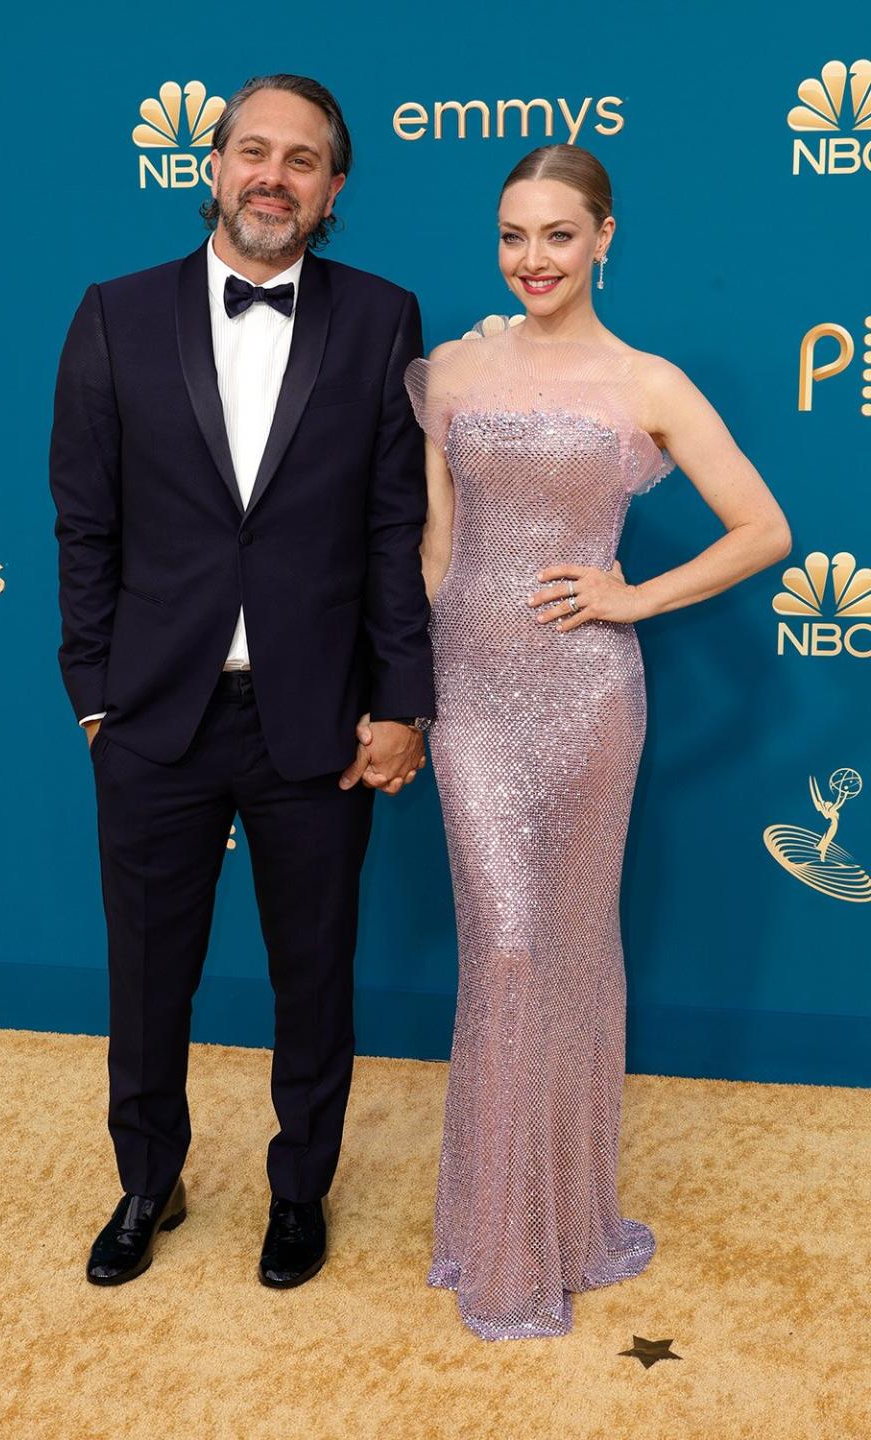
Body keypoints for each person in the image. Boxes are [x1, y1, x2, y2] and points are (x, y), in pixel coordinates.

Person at [387, 142, 792, 1339]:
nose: (532, 259)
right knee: (505, 951)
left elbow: (763, 527)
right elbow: (434, 549)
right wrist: (413, 696)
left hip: (587, 699)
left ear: (605, 238)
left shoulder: (648, 382)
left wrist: (634, 597)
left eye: (558, 234)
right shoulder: (450, 372)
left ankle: (564, 1224)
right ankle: (502, 1243)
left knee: (567, 952)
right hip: (469, 696)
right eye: (513, 235)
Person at [49, 73, 435, 1290]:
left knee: (314, 972)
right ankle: (147, 1182)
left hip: (314, 718)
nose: (275, 175)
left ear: (334, 189)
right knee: (147, 971)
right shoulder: (113, 314)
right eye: (253, 151)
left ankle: (300, 1189)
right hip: (155, 715)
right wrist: (95, 695)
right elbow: (84, 524)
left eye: (304, 159)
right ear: (212, 166)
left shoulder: (381, 319)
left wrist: (402, 700)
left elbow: (394, 528)